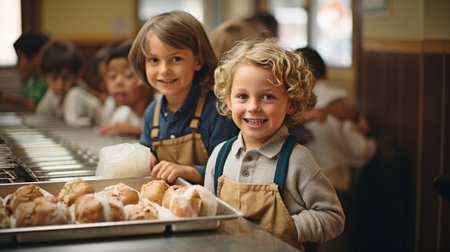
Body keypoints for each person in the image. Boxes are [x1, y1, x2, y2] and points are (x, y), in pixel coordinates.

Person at [204, 38, 345, 251]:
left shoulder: (298, 160)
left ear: (292, 103)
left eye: (267, 97)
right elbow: (208, 214)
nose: (253, 107)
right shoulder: (219, 155)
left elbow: (332, 218)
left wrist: (284, 227)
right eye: (242, 96)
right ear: (228, 100)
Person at [129, 11, 239, 184]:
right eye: (153, 60)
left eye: (176, 59)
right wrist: (146, 158)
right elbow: (147, 151)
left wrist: (188, 171)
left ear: (198, 61)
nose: (164, 70)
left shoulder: (217, 109)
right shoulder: (153, 112)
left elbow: (228, 170)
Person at [297, 47, 377, 252]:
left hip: (297, 187)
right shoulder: (339, 102)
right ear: (326, 72)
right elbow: (360, 150)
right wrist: (374, 144)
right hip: (333, 186)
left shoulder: (292, 103)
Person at [36, 40, 102, 127]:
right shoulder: (52, 95)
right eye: (54, 78)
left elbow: (74, 127)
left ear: (78, 75)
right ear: (44, 77)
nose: (60, 85)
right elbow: (41, 116)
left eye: (66, 78)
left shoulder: (76, 94)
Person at [99, 42, 155, 138]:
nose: (118, 82)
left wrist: (139, 132)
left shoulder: (164, 107)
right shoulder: (122, 113)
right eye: (112, 77)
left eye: (128, 75)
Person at [1, 31, 49, 111]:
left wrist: (14, 99)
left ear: (35, 58)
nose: (17, 66)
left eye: (20, 59)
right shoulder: (31, 81)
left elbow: (37, 110)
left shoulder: (50, 82)